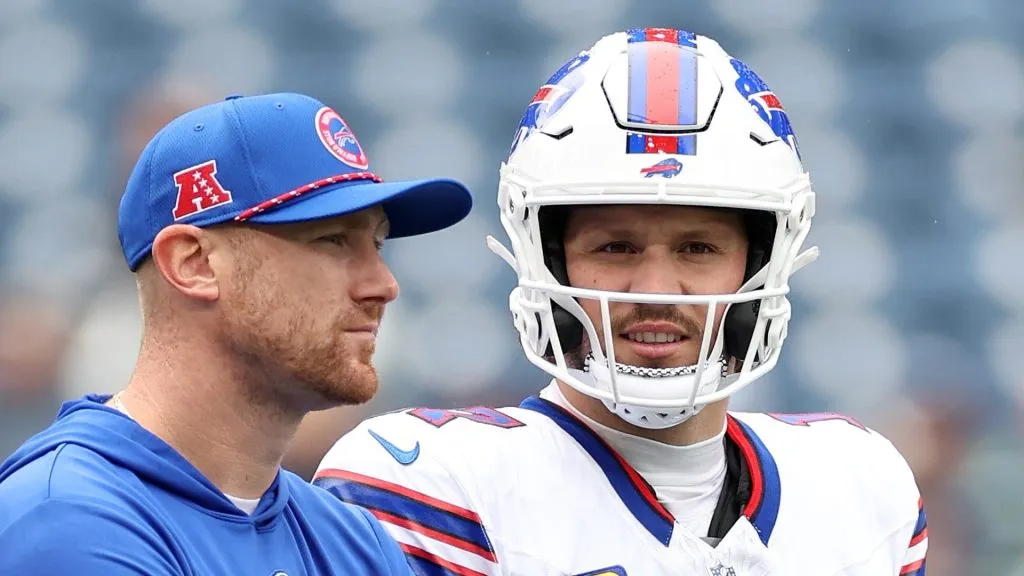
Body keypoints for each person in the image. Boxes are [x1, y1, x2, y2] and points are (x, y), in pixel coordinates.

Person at [313, 29, 929, 575]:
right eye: (616, 248)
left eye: (697, 248)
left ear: (759, 265)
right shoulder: (435, 486)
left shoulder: (861, 484)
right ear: (549, 262)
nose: (657, 288)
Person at [0, 92, 473, 575]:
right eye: (332, 239)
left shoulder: (355, 541)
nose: (384, 285)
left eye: (376, 244)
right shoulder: (69, 520)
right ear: (195, 264)